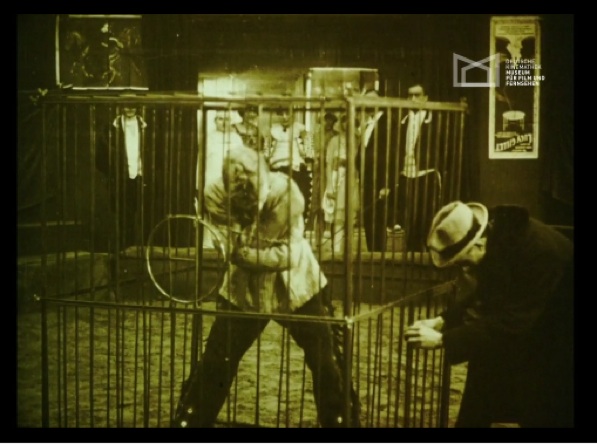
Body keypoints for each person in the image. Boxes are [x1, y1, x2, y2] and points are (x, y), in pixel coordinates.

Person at [173, 145, 360, 428]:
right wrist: (238, 247)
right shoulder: (216, 194)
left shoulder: (288, 194)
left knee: (327, 360)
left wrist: (246, 254)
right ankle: (190, 423)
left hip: (297, 286)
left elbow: (289, 255)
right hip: (246, 290)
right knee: (217, 360)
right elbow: (226, 244)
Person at [405, 201, 573, 428]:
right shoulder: (499, 238)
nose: (464, 269)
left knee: (544, 405)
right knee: (484, 369)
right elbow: (487, 294)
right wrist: (443, 320)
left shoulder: (539, 252)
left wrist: (443, 340)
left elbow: (512, 324)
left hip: (561, 331)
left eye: (463, 262)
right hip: (535, 321)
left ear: (478, 244)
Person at [395, 83, 440, 251]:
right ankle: (411, 255)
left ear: (426, 98)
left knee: (427, 219)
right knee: (409, 219)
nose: (413, 99)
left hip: (426, 174)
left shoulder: (435, 120)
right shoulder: (402, 120)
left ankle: (427, 255)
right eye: (410, 95)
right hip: (406, 175)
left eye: (417, 95)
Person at [355, 89, 398, 252]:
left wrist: (387, 184)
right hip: (367, 179)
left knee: (378, 220)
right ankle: (373, 254)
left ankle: (378, 257)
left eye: (372, 100)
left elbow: (392, 154)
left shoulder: (388, 122)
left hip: (379, 180)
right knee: (369, 220)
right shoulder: (368, 123)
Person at [196, 110, 244, 248]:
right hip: (211, 181)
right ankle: (208, 246)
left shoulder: (236, 139)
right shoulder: (208, 138)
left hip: (230, 184)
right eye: (220, 119)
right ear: (215, 121)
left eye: (226, 119)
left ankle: (228, 247)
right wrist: (198, 186)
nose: (223, 123)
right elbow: (200, 163)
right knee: (210, 215)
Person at [267, 106, 313, 225]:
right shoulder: (271, 131)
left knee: (298, 200)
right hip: (276, 169)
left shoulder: (302, 131)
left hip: (297, 170)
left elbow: (309, 154)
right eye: (281, 114)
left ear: (293, 114)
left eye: (287, 113)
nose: (285, 117)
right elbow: (266, 154)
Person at [321, 114, 360, 254]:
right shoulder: (334, 141)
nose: (347, 126)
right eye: (345, 123)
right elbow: (328, 164)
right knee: (336, 215)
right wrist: (329, 186)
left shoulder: (357, 141)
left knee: (349, 216)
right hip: (336, 178)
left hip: (352, 179)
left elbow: (359, 163)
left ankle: (347, 250)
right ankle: (336, 249)